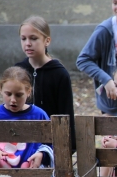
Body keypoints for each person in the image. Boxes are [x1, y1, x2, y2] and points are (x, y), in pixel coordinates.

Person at [15, 16, 76, 153]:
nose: (28, 43)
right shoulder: (18, 71)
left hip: (50, 144)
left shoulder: (59, 74)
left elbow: (66, 112)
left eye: (33, 38)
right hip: (22, 143)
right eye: (23, 39)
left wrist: (67, 148)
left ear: (47, 40)